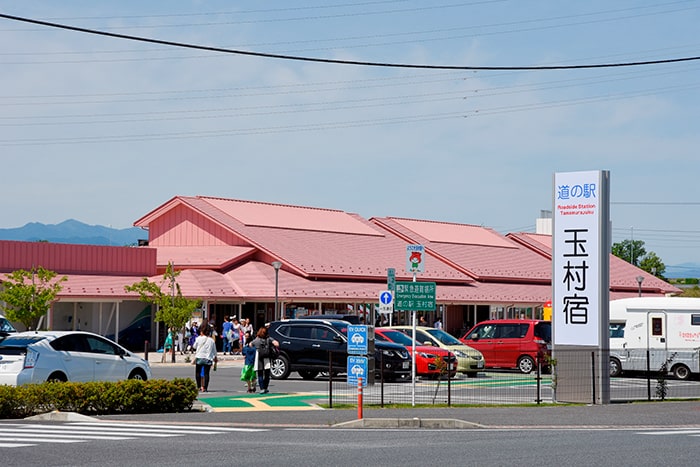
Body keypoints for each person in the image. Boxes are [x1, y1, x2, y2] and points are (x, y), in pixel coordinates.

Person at [250, 326, 279, 394]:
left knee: (260, 374)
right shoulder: (269, 339)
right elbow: (277, 344)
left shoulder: (257, 340)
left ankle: (262, 388)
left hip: (259, 357)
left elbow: (250, 344)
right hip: (267, 357)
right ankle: (265, 388)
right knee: (267, 374)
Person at [192, 323, 217, 392]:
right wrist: (215, 357)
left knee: (198, 372)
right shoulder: (211, 340)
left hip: (199, 357)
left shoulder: (198, 338)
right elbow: (214, 350)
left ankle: (199, 386)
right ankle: (205, 387)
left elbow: (194, 346)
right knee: (206, 373)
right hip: (208, 358)